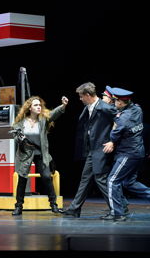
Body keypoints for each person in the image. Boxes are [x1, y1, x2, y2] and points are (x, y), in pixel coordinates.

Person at [60, 82, 116, 218]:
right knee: (85, 179)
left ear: (88, 95)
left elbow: (119, 120)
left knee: (100, 179)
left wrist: (112, 140)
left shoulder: (104, 107)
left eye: (81, 96)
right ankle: (74, 209)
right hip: (92, 149)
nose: (80, 99)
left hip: (101, 148)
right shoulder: (90, 106)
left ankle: (119, 208)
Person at [11, 95, 69, 216]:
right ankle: (18, 206)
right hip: (26, 154)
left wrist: (63, 105)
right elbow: (15, 135)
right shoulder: (21, 123)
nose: (39, 107)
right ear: (30, 108)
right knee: (22, 179)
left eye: (39, 105)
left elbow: (54, 114)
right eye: (36, 105)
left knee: (47, 177)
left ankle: (53, 205)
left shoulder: (43, 120)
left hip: (41, 152)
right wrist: (19, 137)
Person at [102, 87, 150, 221]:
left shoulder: (123, 118)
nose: (113, 102)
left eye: (115, 100)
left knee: (112, 181)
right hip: (138, 152)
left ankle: (118, 213)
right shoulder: (137, 109)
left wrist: (113, 134)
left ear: (121, 103)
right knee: (129, 182)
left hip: (128, 154)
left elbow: (114, 134)